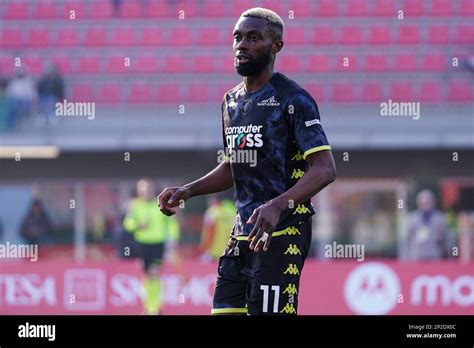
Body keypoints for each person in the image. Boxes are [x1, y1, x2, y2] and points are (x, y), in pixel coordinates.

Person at [158, 8, 336, 315]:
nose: (242, 44)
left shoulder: (294, 100)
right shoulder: (231, 102)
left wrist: (278, 205)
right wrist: (188, 190)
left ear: (276, 46)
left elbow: (325, 168)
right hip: (241, 234)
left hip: (282, 233)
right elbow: (233, 165)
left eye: (254, 38)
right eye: (238, 37)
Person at [123, 178, 180, 315]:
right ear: (139, 191)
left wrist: (173, 239)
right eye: (143, 189)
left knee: (155, 273)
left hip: (157, 243)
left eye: (148, 189)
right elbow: (127, 223)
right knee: (147, 276)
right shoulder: (134, 205)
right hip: (142, 244)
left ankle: (156, 307)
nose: (146, 192)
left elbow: (171, 223)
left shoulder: (160, 204)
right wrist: (137, 225)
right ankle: (148, 307)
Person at [406, 189, 455, 260]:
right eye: (423, 203)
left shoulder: (440, 218)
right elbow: (408, 239)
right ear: (418, 203)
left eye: (427, 202)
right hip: (417, 257)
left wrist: (451, 256)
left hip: (435, 257)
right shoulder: (412, 219)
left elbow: (448, 238)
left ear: (433, 203)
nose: (425, 205)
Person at [199, 197, 236, 262]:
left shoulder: (212, 211)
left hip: (217, 240)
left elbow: (208, 227)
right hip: (227, 241)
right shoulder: (230, 208)